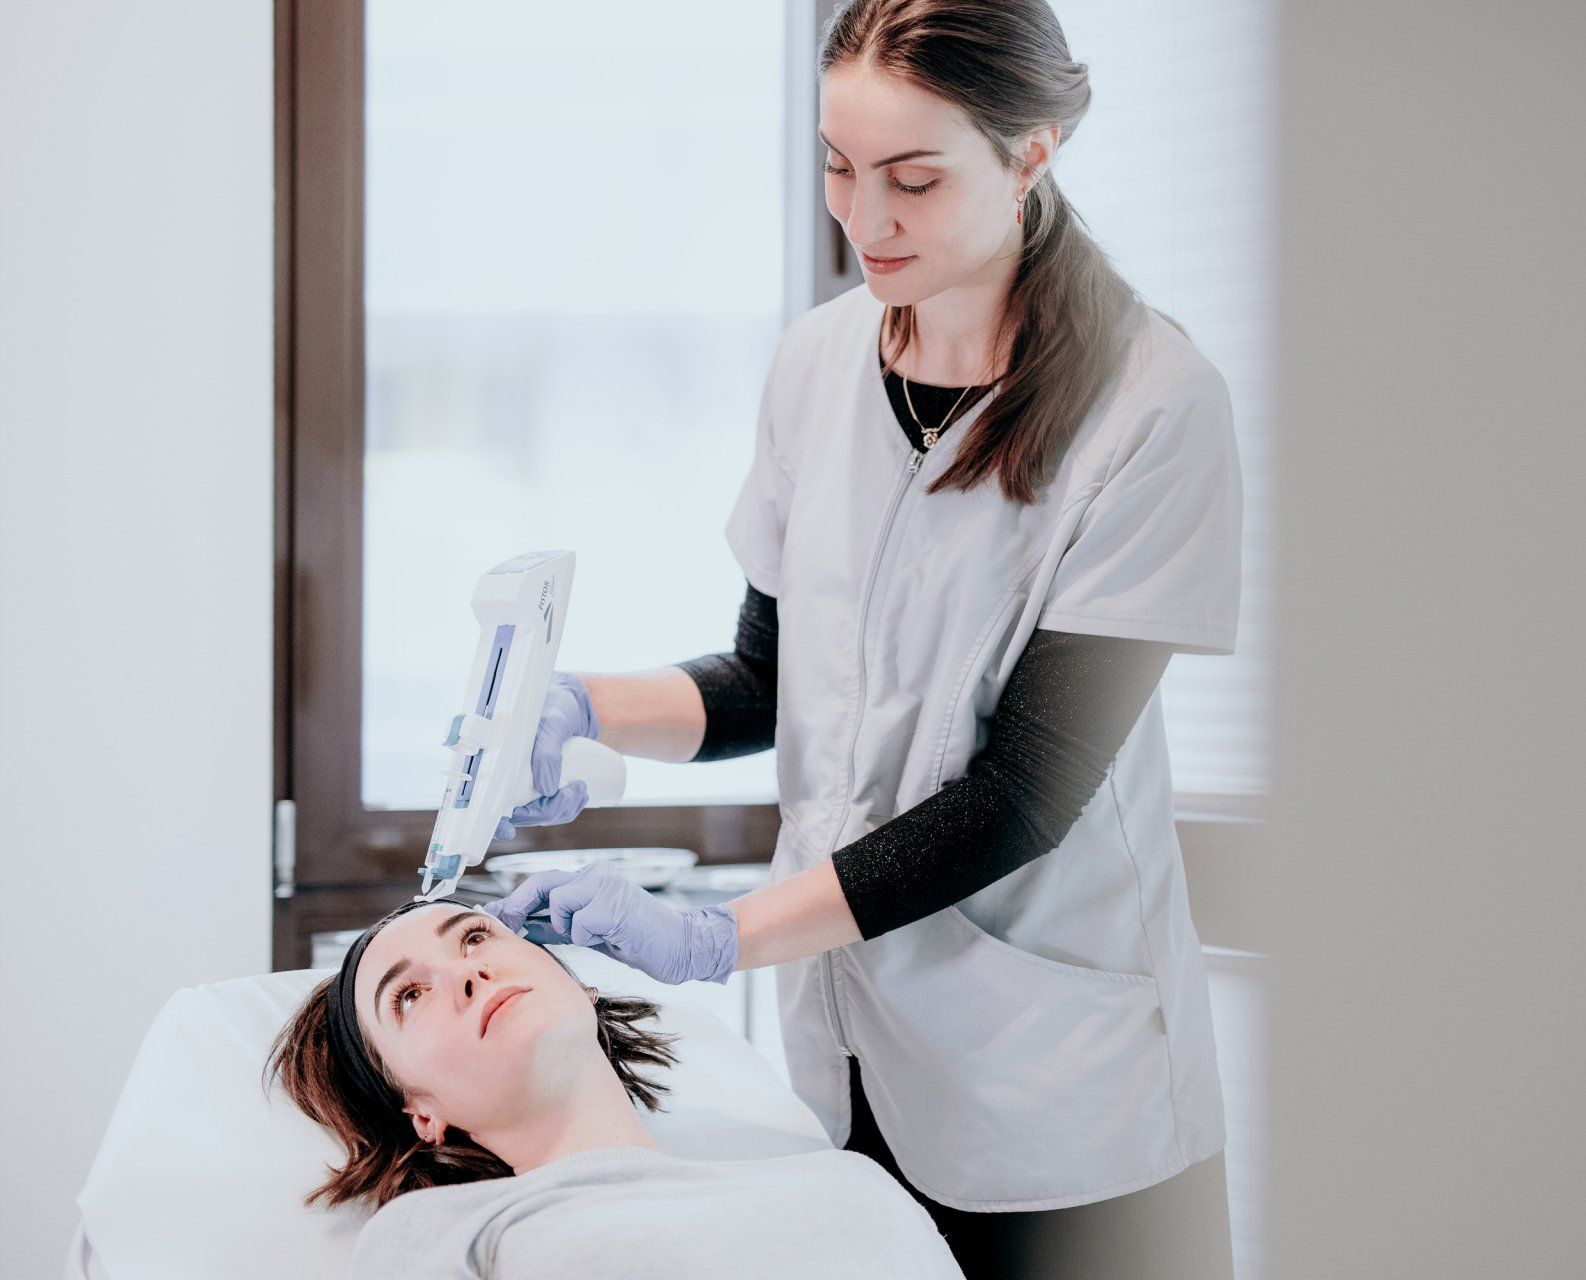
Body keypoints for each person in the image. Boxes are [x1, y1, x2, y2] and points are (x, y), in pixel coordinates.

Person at [485, 1, 1242, 1274]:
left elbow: (1021, 795)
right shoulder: (819, 362)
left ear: (1031, 154)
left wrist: (721, 934)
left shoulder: (1152, 407)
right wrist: (576, 706)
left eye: (914, 179)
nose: (865, 217)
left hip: (1059, 1089)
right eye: (839, 166)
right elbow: (770, 679)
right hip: (849, 1064)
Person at [264, 897, 963, 1279]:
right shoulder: (436, 1234)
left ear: (580, 985)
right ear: (420, 1112)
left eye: (475, 937)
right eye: (409, 996)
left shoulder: (846, 1181)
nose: (466, 974)